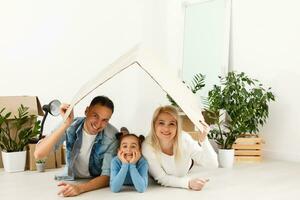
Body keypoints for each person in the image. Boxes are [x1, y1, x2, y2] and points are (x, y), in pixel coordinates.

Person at [34, 96, 119, 197]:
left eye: (105, 120)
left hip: (95, 184)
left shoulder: (112, 136)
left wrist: (80, 188)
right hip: (71, 179)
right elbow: (39, 154)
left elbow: (106, 176)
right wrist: (65, 124)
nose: (98, 124)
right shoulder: (71, 125)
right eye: (95, 116)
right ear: (86, 111)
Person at [142, 105, 218, 191]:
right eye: (161, 123)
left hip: (186, 166)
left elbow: (213, 164)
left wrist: (204, 139)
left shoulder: (184, 139)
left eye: (172, 124)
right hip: (158, 175)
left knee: (194, 155)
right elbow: (162, 178)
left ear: (177, 127)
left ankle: (197, 148)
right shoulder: (147, 146)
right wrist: (188, 183)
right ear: (154, 125)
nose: (166, 128)